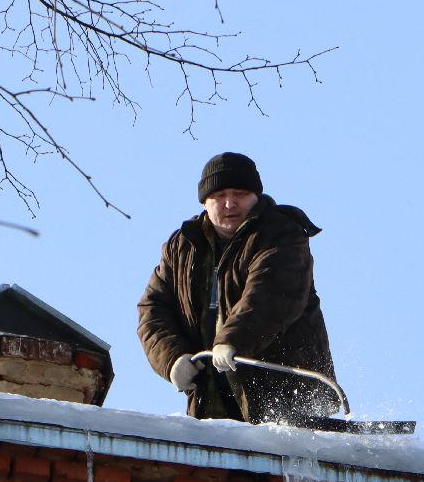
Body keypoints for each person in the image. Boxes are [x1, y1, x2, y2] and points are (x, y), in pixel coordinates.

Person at [137, 152, 345, 424]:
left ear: (256, 196)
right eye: (219, 196)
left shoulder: (281, 234)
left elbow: (271, 295)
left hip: (287, 395)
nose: (229, 203)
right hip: (212, 403)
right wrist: (172, 358)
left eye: (239, 193)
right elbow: (153, 309)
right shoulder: (182, 246)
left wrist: (233, 340)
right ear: (205, 202)